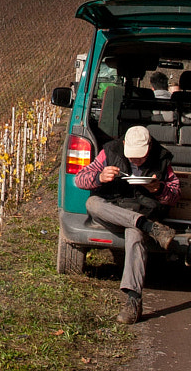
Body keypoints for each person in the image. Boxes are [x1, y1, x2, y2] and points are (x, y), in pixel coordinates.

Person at [74, 124, 180, 325]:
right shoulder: (110, 152)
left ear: (149, 147)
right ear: (123, 144)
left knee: (135, 234)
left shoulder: (162, 159)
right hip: (116, 212)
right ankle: (148, 226)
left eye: (140, 156)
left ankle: (133, 300)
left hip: (142, 211)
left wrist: (158, 189)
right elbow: (80, 179)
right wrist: (100, 177)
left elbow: (174, 196)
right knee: (92, 203)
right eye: (132, 154)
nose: (135, 159)